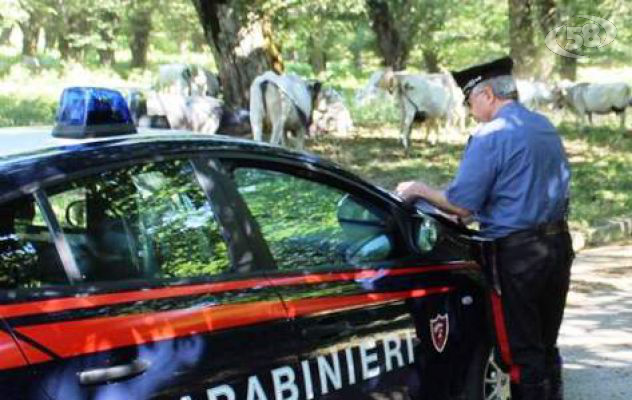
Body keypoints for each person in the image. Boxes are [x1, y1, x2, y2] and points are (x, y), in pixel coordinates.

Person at [396, 56, 573, 400]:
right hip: (557, 246)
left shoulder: (490, 135)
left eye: (470, 99)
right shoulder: (543, 126)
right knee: (546, 345)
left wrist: (418, 189)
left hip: (518, 258)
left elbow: (461, 204)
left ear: (488, 94)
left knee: (521, 355)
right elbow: (525, 189)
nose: (468, 107)